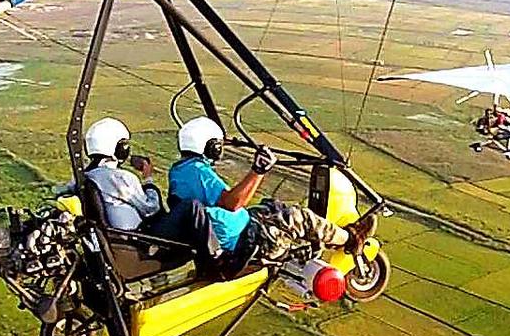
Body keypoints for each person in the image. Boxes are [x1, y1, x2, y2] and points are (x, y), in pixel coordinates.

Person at [167, 116, 371, 275]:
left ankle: (325, 240)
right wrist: (258, 170)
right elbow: (233, 203)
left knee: (273, 207)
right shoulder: (198, 173)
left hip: (236, 233)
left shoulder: (179, 171)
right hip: (246, 244)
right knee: (297, 217)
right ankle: (351, 239)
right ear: (212, 146)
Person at [82, 117, 221, 263]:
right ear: (120, 149)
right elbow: (151, 208)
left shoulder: (85, 178)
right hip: (141, 240)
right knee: (192, 207)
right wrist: (148, 177)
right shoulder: (120, 178)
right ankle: (216, 257)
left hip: (117, 242)